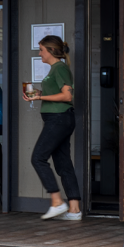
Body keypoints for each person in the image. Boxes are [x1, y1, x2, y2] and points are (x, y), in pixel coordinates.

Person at [24, 36, 81, 221]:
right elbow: (58, 93)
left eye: (41, 50)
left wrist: (39, 99)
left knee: (38, 157)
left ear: (50, 50)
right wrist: (40, 94)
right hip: (58, 119)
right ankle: (74, 209)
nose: (40, 53)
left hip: (59, 119)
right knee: (64, 164)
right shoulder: (55, 70)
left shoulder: (60, 68)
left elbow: (67, 96)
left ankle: (57, 201)